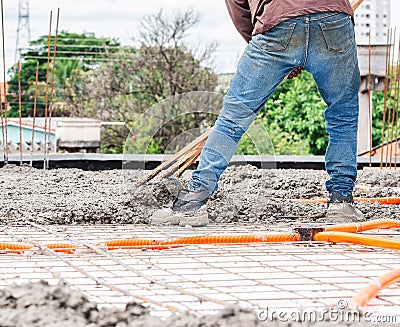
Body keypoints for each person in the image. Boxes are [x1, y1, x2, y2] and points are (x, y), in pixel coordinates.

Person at [150, 0, 364, 226]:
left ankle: (193, 200)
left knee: (234, 116)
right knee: (343, 116)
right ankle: (341, 202)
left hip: (277, 20)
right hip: (332, 19)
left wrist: (269, 48)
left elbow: (239, 8)